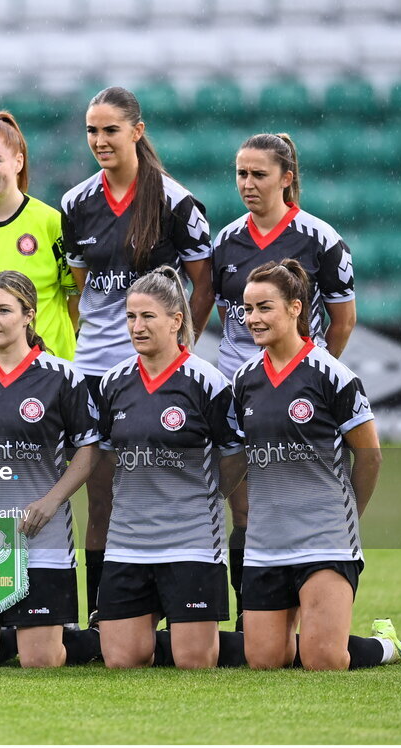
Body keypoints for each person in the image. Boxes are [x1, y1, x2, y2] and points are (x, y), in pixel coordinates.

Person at [60, 86, 215, 621]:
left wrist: (178, 348)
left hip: (161, 368)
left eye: (110, 130)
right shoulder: (76, 204)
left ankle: (186, 608)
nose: (100, 141)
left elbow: (204, 284)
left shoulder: (176, 202)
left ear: (137, 131)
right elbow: (83, 291)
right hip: (98, 370)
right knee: (100, 496)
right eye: (91, 131)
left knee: (166, 488)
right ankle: (105, 614)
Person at [212, 133, 357, 628]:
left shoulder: (321, 239)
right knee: (244, 509)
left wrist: (306, 378)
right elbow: (221, 316)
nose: (247, 184)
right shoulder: (225, 241)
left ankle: (316, 614)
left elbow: (343, 320)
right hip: (239, 392)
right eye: (241, 174)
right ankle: (249, 614)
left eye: (259, 174)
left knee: (297, 503)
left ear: (287, 178)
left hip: (298, 395)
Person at [233, 259, 401, 670]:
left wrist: (346, 516)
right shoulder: (243, 380)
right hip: (266, 540)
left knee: (324, 660)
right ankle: (313, 627)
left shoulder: (333, 374)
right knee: (264, 660)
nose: (252, 319)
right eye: (247, 308)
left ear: (296, 309)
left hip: (324, 534)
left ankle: (386, 646)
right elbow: (236, 458)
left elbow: (370, 455)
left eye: (264, 308)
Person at [0, 270, 100, 668]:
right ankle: (17, 632)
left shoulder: (62, 377)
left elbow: (87, 451)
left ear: (29, 314)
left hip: (41, 538)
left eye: (2, 310)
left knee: (41, 663)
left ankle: (88, 643)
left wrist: (51, 502)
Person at [96, 267, 245, 668]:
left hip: (191, 540)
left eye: (148, 317)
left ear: (176, 320)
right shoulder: (113, 384)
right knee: (121, 660)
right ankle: (175, 631)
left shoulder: (208, 383)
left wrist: (215, 509)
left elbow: (233, 463)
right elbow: (107, 458)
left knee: (194, 662)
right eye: (130, 317)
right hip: (129, 542)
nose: (137, 326)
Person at [0, 111, 79, 368]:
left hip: (47, 372)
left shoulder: (51, 223)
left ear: (18, 162)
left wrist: (44, 340)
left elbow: (76, 299)